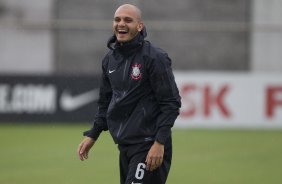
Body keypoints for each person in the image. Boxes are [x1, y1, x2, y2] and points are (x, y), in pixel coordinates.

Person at [77, 4, 181, 184]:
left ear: (139, 26)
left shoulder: (154, 57)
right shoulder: (109, 60)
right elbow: (105, 101)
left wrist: (159, 143)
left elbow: (171, 103)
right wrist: (93, 134)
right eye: (117, 19)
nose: (121, 24)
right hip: (125, 146)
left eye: (128, 20)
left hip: (149, 145)